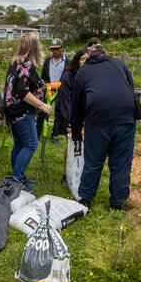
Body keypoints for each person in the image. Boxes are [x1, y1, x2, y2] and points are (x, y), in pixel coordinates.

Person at [70, 43, 137, 211]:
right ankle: (118, 203)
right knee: (121, 163)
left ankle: (86, 200)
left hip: (98, 121)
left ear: (90, 57)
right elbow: (131, 90)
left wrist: (76, 132)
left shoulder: (84, 71)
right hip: (126, 120)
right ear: (106, 55)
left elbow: (77, 105)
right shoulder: (120, 64)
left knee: (93, 162)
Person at [3, 33, 50, 192]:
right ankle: (17, 179)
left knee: (19, 144)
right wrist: (42, 105)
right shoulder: (26, 65)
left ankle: (16, 177)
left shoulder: (15, 63)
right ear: (34, 47)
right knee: (30, 144)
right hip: (21, 111)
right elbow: (23, 92)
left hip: (11, 110)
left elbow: (8, 89)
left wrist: (5, 114)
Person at [55, 48, 90, 185]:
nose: (85, 61)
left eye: (88, 59)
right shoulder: (68, 76)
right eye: (83, 59)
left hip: (85, 115)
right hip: (67, 114)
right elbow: (66, 101)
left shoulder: (90, 76)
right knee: (71, 145)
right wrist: (72, 124)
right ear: (77, 60)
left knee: (84, 146)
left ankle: (80, 173)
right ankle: (66, 174)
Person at [37, 39, 66, 144]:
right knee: (43, 111)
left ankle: (55, 135)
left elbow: (69, 77)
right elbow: (43, 77)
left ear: (62, 48)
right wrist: (46, 86)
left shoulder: (68, 62)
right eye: (53, 49)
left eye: (57, 48)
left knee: (58, 113)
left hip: (61, 91)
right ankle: (38, 133)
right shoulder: (47, 61)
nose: (55, 51)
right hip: (48, 90)